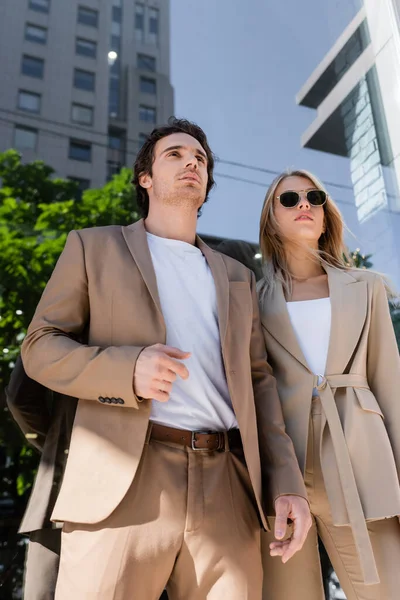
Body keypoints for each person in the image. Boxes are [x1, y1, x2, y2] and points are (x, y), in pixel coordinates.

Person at [21, 119, 311, 600]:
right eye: (174, 154)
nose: (191, 162)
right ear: (146, 178)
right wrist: (126, 369)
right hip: (124, 483)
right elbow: (40, 346)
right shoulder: (93, 246)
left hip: (227, 487)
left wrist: (287, 484)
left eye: (199, 158)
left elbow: (261, 384)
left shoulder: (238, 276)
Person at [257, 168, 400, 600]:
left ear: (325, 215)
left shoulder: (367, 288)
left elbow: (390, 386)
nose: (304, 204)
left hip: (362, 462)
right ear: (271, 220)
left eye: (314, 197)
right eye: (289, 199)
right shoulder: (251, 298)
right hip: (284, 472)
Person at [6, 355, 76, 600]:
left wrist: (58, 443)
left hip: (65, 485)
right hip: (160, 483)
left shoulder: (63, 317)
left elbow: (20, 397)